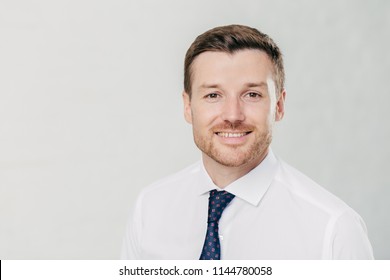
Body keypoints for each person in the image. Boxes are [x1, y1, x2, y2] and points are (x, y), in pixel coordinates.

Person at [121, 24, 374, 259]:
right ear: (188, 107)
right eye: (213, 95)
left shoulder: (334, 229)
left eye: (252, 94)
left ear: (279, 105)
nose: (233, 115)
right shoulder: (150, 209)